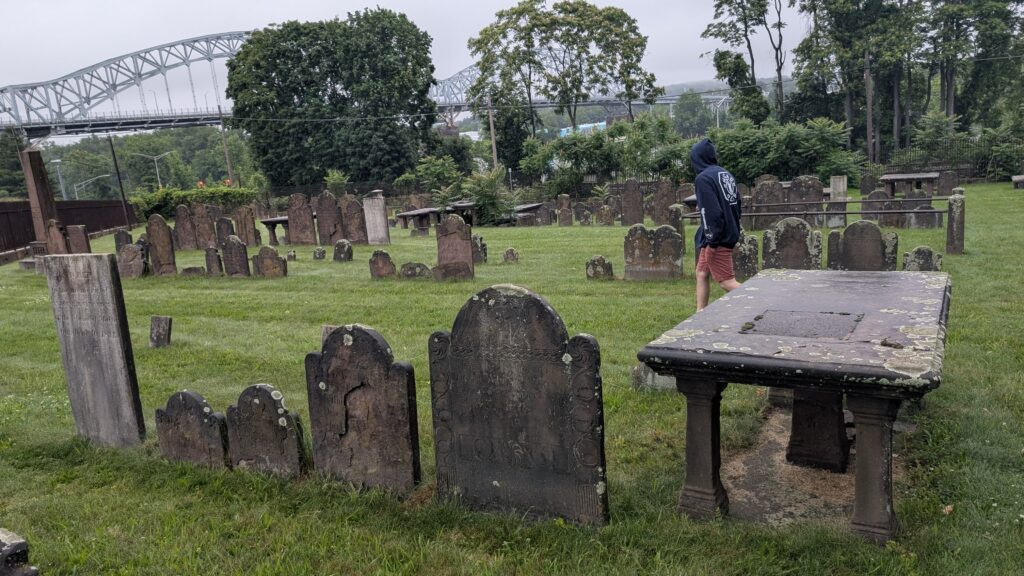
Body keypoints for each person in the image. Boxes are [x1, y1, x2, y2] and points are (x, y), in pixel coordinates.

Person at [690, 138, 742, 311]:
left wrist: (713, 241)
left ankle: (762, 305)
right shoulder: (725, 174)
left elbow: (712, 213)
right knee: (702, 273)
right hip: (724, 232)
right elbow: (737, 205)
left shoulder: (703, 178)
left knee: (727, 282)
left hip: (717, 237)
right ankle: (699, 314)